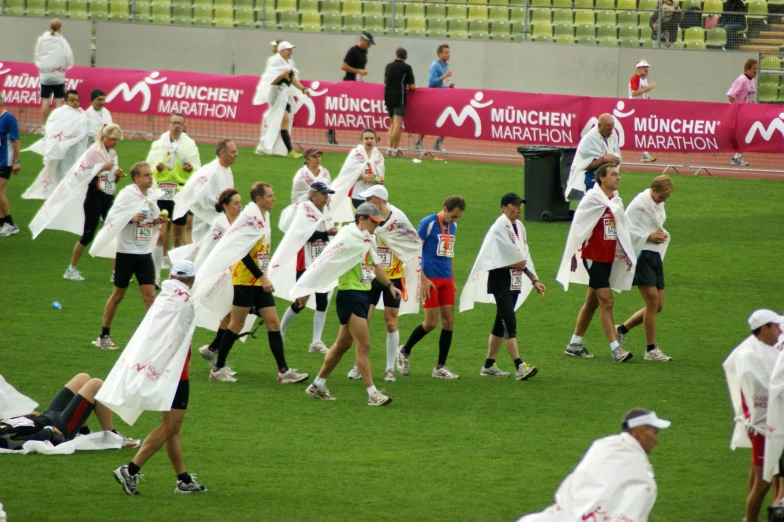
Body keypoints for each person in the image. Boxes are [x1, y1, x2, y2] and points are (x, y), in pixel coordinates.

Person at [108, 260, 208, 496]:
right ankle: (130, 469)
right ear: (192, 280)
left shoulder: (165, 297)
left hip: (165, 369)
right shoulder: (185, 303)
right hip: (175, 372)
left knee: (171, 427)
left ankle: (182, 479)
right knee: (172, 425)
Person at [194, 182, 307, 384]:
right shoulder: (250, 218)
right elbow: (242, 251)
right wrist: (261, 276)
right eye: (270, 196)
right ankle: (218, 368)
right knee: (236, 323)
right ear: (259, 199)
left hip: (258, 278)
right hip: (246, 279)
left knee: (273, 322)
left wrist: (264, 274)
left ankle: (283, 371)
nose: (274, 199)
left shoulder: (264, 215)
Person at [296, 203, 401, 405]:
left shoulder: (366, 239)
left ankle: (317, 385)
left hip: (362, 295)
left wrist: (389, 285)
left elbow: (376, 265)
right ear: (362, 219)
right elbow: (323, 264)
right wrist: (306, 290)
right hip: (350, 296)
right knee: (364, 345)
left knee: (342, 345)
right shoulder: (347, 237)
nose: (376, 227)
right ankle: (373, 394)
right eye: (374, 222)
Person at [519, 409, 670, 522]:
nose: (656, 440)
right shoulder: (639, 469)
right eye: (654, 433)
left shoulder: (603, 446)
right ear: (640, 431)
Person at [459, 193, 546, 381]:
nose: (518, 208)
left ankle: (489, 365)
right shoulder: (498, 228)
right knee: (509, 321)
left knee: (500, 323)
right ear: (504, 207)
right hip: (500, 280)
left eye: (519, 205)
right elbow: (492, 259)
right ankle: (519, 365)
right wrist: (515, 265)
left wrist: (534, 279)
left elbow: (523, 256)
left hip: (514, 281)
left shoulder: (520, 227)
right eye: (514, 205)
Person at [556, 164, 636, 362]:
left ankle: (574, 344)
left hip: (607, 257)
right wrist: (574, 255)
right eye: (614, 174)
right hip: (594, 257)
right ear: (602, 178)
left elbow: (621, 229)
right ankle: (616, 349)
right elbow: (578, 227)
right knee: (606, 302)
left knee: (591, 302)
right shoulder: (591, 199)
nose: (618, 178)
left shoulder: (615, 200)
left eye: (619, 174)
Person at [347, 185, 422, 382]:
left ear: (378, 200)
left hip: (393, 277)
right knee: (363, 322)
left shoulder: (398, 219)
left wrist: (398, 248)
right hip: (370, 277)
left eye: (369, 199)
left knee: (390, 323)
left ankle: (389, 369)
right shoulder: (366, 218)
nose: (365, 203)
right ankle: (358, 364)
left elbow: (413, 241)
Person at [30, 123, 125, 279]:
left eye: (117, 140)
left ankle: (116, 273)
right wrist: (102, 168)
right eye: (113, 139)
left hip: (108, 196)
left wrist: (117, 175)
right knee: (88, 234)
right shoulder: (93, 152)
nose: (115, 143)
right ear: (105, 137)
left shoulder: (113, 154)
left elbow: (112, 179)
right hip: (93, 196)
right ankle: (71, 269)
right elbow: (80, 173)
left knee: (112, 232)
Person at [90, 162, 167, 350]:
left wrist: (158, 221)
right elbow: (111, 220)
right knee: (117, 295)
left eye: (151, 175)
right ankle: (104, 336)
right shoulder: (127, 195)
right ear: (137, 178)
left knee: (150, 297)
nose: (151, 178)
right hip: (126, 254)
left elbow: (148, 222)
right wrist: (131, 218)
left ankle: (150, 338)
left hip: (144, 254)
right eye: (147, 175)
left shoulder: (151, 196)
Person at [723, 310, 784, 522]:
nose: (780, 330)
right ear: (764, 329)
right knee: (764, 480)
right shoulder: (749, 356)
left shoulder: (768, 346)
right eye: (776, 326)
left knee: (776, 474)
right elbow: (763, 396)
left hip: (774, 422)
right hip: (762, 427)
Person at [397, 195, 466, 380]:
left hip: (445, 279)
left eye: (458, 217)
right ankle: (404, 351)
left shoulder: (454, 226)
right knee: (430, 323)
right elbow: (414, 251)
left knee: (449, 322)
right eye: (453, 216)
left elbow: (450, 253)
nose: (455, 220)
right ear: (444, 208)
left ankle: (440, 367)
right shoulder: (428, 223)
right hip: (430, 279)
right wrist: (422, 279)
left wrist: (453, 279)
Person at [272, 182, 338, 354]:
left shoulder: (326, 211)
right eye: (323, 194)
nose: (326, 197)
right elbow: (302, 234)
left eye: (327, 194)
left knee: (323, 299)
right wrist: (327, 233)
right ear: (313, 195)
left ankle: (316, 341)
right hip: (306, 259)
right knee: (302, 300)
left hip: (322, 259)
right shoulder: (305, 210)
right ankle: (280, 330)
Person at [616, 176, 674, 362]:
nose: (664, 200)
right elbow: (624, 229)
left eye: (667, 197)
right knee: (652, 302)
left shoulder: (657, 203)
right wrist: (648, 237)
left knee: (658, 306)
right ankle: (650, 349)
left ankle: (621, 329)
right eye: (662, 196)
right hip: (642, 255)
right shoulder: (639, 204)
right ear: (653, 190)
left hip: (654, 254)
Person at [0, 373, 139, 450]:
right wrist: (49, 431)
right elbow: (22, 442)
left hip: (47, 415)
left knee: (82, 378)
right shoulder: (3, 438)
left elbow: (18, 425)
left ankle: (84, 432)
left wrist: (24, 416)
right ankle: (113, 436)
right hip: (60, 427)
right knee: (96, 385)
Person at [145, 112, 201, 285]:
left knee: (177, 237)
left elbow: (197, 172)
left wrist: (188, 168)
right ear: (169, 124)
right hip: (162, 193)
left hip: (180, 195)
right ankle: (155, 276)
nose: (177, 125)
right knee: (162, 234)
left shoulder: (190, 146)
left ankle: (175, 275)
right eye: (174, 122)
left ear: (185, 127)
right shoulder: (158, 145)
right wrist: (158, 169)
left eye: (180, 123)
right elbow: (150, 168)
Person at [22, 89, 89, 201]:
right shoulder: (59, 113)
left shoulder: (82, 114)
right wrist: (59, 143)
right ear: (66, 101)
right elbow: (53, 129)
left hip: (77, 150)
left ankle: (71, 198)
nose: (75, 102)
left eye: (77, 100)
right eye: (72, 100)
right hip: (62, 152)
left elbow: (83, 131)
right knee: (64, 174)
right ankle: (62, 198)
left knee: (76, 175)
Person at [252, 41, 310, 158]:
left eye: (291, 49)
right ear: (282, 51)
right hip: (276, 97)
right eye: (288, 49)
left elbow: (294, 81)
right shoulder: (275, 64)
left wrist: (303, 89)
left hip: (286, 97)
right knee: (283, 122)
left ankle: (276, 148)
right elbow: (269, 82)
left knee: (283, 122)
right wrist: (281, 76)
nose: (291, 51)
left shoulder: (289, 65)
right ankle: (288, 150)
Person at [172, 138, 236, 243]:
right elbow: (196, 191)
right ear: (222, 152)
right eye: (233, 152)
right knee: (202, 252)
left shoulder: (226, 169)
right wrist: (218, 204)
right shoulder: (211, 170)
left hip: (218, 220)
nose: (236, 154)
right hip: (206, 222)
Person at [326, 32, 375, 145]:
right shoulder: (353, 51)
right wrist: (358, 71)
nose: (369, 46)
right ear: (362, 40)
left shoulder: (364, 52)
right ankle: (330, 130)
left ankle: (367, 136)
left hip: (358, 83)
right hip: (348, 83)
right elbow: (343, 66)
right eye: (368, 43)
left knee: (362, 108)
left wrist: (361, 75)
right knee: (341, 108)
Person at [329, 128, 385, 223]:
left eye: (371, 138)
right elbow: (346, 175)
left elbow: (381, 178)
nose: (369, 141)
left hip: (373, 195)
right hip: (358, 195)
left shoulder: (378, 156)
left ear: (376, 140)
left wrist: (375, 179)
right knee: (363, 221)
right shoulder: (355, 154)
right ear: (361, 140)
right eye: (366, 138)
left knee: (375, 222)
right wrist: (362, 177)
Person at [564, 113, 621, 201]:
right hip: (593, 182)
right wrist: (604, 160)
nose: (610, 132)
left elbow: (616, 152)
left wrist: (615, 160)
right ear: (599, 125)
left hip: (608, 181)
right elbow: (583, 165)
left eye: (611, 129)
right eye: (607, 129)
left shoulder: (612, 135)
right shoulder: (589, 140)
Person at [34, 19, 74, 124]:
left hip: (45, 76)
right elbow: (68, 56)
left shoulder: (41, 39)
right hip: (58, 76)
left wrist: (42, 67)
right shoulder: (62, 41)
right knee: (59, 103)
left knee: (45, 102)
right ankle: (57, 125)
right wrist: (66, 67)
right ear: (60, 28)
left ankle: (44, 125)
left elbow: (38, 55)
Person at [415, 44, 453, 154]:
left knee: (446, 120)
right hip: (434, 97)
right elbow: (432, 82)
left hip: (444, 96)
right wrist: (445, 77)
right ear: (439, 54)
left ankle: (438, 142)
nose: (448, 54)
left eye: (448, 52)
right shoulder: (435, 66)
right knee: (429, 121)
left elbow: (442, 81)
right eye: (445, 52)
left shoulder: (447, 64)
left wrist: (448, 85)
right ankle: (418, 143)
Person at [384, 48, 416, 157]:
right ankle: (395, 149)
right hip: (399, 97)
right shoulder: (407, 68)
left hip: (388, 97)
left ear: (396, 55)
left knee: (392, 124)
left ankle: (389, 148)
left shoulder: (388, 66)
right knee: (397, 125)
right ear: (405, 57)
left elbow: (386, 81)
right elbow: (412, 86)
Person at [727, 59, 757, 167]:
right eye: (754, 69)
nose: (756, 71)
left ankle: (736, 157)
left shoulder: (751, 80)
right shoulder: (741, 80)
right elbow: (730, 95)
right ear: (747, 69)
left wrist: (752, 104)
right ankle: (734, 156)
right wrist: (735, 108)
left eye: (757, 69)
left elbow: (749, 96)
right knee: (741, 135)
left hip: (746, 112)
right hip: (738, 113)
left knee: (744, 135)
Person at [0, 95, 21, 237]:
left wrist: (16, 161)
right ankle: (2, 224)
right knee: (1, 192)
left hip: (5, 161)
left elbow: (16, 140)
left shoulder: (8, 118)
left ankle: (11, 224)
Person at [629, 60, 657, 163]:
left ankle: (645, 154)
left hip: (640, 107)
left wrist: (647, 96)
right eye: (643, 67)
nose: (646, 69)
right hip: (634, 108)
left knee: (642, 130)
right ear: (637, 69)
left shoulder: (644, 80)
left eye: (647, 67)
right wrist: (647, 89)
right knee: (639, 130)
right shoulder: (635, 78)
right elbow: (633, 93)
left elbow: (642, 93)